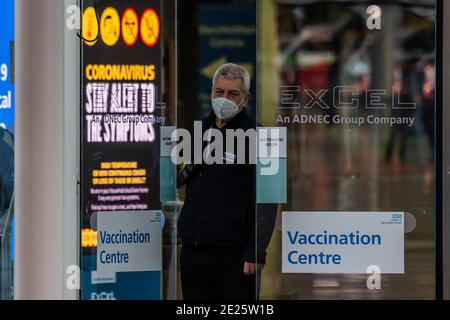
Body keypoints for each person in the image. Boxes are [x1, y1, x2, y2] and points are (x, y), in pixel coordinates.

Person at [178, 63, 277, 300]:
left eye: (233, 94)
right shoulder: (197, 131)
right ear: (211, 92)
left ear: (246, 98)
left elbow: (267, 203)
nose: (224, 99)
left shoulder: (262, 138)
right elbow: (178, 180)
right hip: (194, 251)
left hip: (236, 256)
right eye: (219, 92)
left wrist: (255, 251)